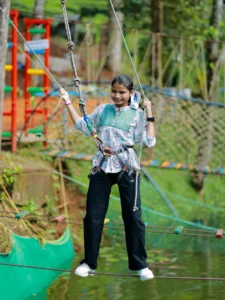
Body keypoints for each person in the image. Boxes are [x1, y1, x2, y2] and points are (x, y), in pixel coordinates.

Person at [59, 74, 156, 281]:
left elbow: (149, 141)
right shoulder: (103, 110)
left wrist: (149, 111)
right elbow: (83, 125)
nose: (117, 96)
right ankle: (88, 263)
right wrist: (68, 101)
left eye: (122, 92)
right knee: (93, 217)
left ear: (130, 93)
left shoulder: (137, 115)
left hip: (126, 167)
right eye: (114, 92)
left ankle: (140, 265)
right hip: (102, 166)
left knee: (133, 217)